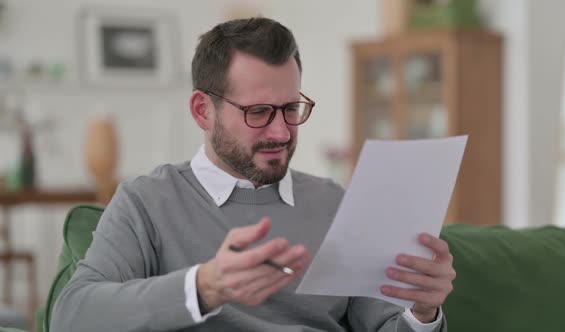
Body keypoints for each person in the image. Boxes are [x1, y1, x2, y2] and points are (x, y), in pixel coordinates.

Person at [51, 17, 455, 332]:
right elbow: (71, 317)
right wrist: (204, 288)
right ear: (202, 111)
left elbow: (384, 325)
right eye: (258, 112)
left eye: (290, 109)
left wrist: (423, 312)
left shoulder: (338, 204)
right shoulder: (147, 201)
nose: (281, 132)